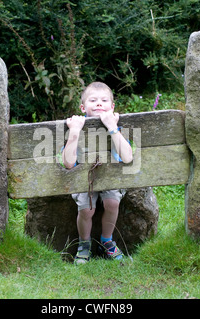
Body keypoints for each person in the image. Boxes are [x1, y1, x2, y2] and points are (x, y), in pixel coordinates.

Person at [59, 82, 133, 265]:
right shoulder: (76, 126)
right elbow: (68, 163)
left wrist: (112, 127)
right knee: (87, 209)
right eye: (93, 100)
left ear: (112, 106)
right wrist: (75, 132)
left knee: (112, 203)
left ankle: (106, 241)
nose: (99, 103)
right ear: (83, 107)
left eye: (104, 100)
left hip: (110, 177)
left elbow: (128, 157)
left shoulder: (117, 127)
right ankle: (84, 243)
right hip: (84, 179)